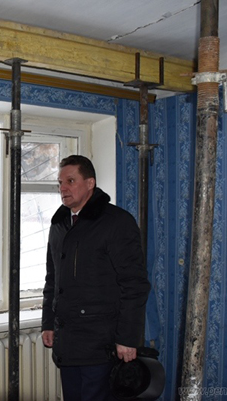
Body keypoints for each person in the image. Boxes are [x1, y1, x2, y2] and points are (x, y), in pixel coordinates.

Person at [41, 155, 150, 401]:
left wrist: (128, 339)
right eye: (60, 183)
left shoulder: (116, 222)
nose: (63, 188)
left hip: (102, 343)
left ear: (90, 183)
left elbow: (135, 284)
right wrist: (48, 322)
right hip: (68, 342)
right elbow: (52, 279)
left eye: (70, 181)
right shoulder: (59, 224)